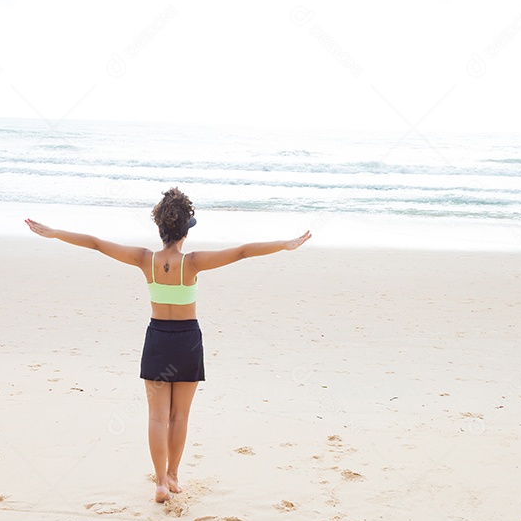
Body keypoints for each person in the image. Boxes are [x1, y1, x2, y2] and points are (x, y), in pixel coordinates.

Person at [25, 188, 311, 503]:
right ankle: (173, 475)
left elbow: (95, 243)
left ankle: (160, 482)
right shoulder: (193, 262)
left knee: (157, 417)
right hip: (187, 340)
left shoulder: (144, 259)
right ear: (185, 231)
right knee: (180, 417)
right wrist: (284, 245)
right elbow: (242, 251)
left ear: (160, 228)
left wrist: (54, 234)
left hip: (158, 339)